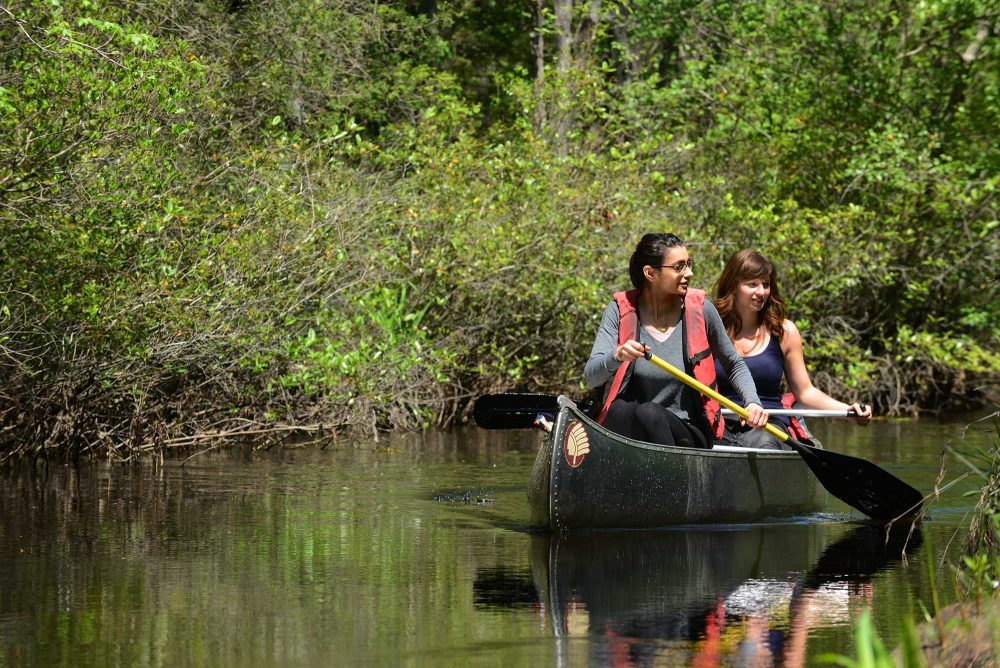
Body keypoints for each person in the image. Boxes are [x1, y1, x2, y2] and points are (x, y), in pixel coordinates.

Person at [584, 233, 768, 449]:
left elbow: (733, 364)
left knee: (649, 413)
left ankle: (671, 480)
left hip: (689, 431)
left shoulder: (701, 310)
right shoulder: (619, 310)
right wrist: (617, 356)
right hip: (637, 433)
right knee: (618, 409)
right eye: (679, 267)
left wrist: (753, 402)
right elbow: (591, 377)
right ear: (650, 273)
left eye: (689, 264)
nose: (689, 273)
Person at [713, 249, 873, 449]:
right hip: (720, 424)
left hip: (769, 427)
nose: (761, 292)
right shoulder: (709, 328)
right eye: (752, 284)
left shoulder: (784, 331)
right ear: (733, 286)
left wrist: (849, 411)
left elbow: (805, 392)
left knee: (763, 442)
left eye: (766, 284)